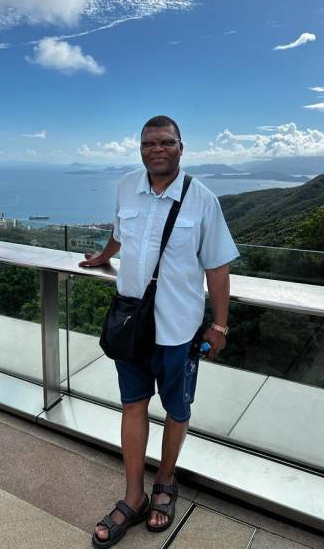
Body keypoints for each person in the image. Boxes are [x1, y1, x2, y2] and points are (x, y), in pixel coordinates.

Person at [79, 116, 239, 547]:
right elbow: (120, 234)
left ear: (181, 148)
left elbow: (218, 267)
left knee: (176, 410)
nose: (157, 149)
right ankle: (134, 496)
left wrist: (219, 324)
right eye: (149, 143)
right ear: (140, 148)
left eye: (166, 142)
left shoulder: (202, 199)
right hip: (132, 325)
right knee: (132, 405)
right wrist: (103, 256)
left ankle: (165, 482)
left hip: (179, 328)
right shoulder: (125, 187)